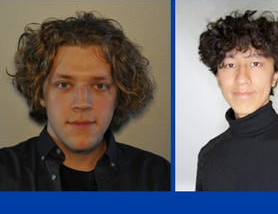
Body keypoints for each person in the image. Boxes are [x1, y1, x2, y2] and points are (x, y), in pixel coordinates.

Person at [0, 11, 170, 191]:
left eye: (100, 86)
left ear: (119, 95)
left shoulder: (159, 177)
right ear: (40, 94)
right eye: (64, 84)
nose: (82, 103)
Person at [196, 10, 278, 191]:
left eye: (255, 63)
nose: (242, 79)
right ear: (217, 76)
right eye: (230, 65)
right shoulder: (209, 155)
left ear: (275, 75)